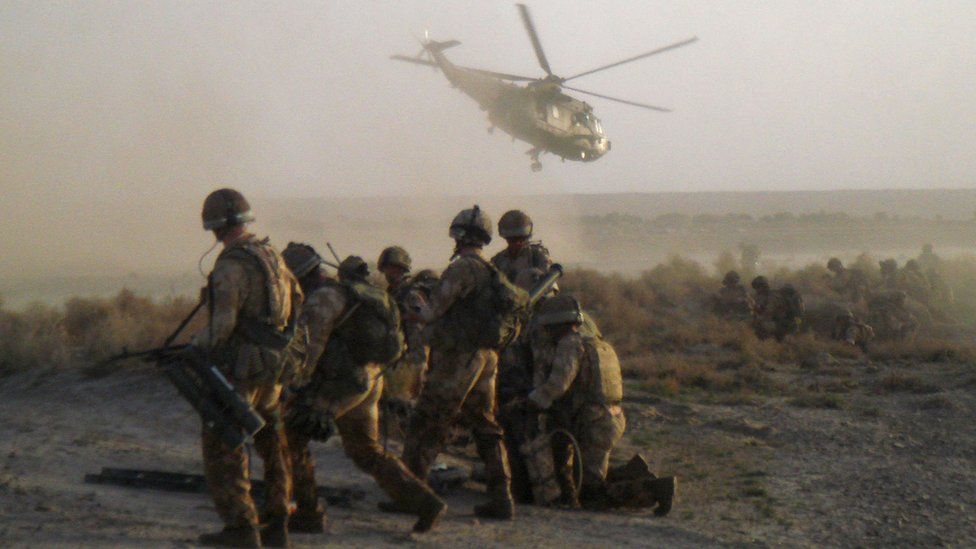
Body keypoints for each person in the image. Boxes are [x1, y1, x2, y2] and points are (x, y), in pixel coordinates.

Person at [281, 245, 447, 534]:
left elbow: (310, 349)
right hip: (370, 380)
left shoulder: (323, 299)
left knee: (291, 436)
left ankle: (307, 512)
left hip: (342, 385)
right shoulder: (360, 295)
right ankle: (425, 502)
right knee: (365, 450)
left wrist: (294, 386)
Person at [192, 189, 301, 548]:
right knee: (272, 440)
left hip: (242, 369)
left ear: (215, 227)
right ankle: (279, 522)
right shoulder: (271, 254)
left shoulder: (230, 265)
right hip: (274, 365)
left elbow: (222, 327)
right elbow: (297, 299)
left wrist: (196, 348)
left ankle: (241, 528)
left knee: (225, 442)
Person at [399, 205, 516, 520]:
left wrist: (414, 310)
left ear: (461, 235)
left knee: (429, 418)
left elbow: (432, 311)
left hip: (459, 357)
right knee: (485, 425)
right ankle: (502, 498)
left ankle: (411, 494)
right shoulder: (491, 271)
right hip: (486, 357)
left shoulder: (463, 268)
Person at [526, 295, 675, 514]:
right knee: (585, 474)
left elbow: (558, 385)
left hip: (594, 423)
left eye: (549, 327)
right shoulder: (600, 345)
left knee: (591, 495)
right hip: (611, 418)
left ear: (557, 325)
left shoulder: (569, 345)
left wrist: (531, 402)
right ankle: (634, 472)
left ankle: (654, 490)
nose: (547, 333)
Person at [491, 210, 552, 290]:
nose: (517, 243)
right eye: (512, 239)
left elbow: (550, 288)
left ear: (526, 237)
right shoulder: (498, 260)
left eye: (520, 239)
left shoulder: (536, 256)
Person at [751, 277, 803, 341]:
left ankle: (766, 344)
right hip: (785, 323)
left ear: (762, 287)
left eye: (757, 288)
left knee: (759, 326)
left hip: (786, 324)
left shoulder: (773, 297)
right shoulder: (770, 295)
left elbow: (768, 313)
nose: (757, 290)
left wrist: (756, 319)